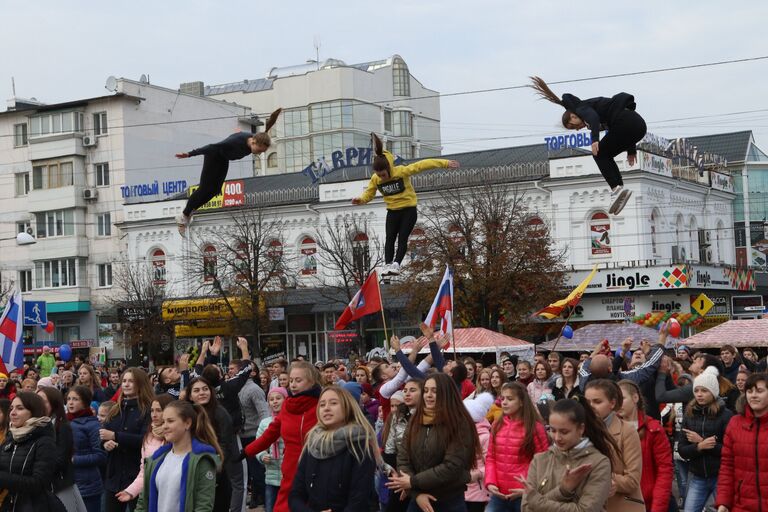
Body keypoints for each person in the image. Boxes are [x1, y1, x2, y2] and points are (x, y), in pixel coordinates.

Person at [530, 76, 647, 215]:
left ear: (574, 116)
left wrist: (595, 139)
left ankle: (617, 189)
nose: (578, 129)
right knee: (606, 154)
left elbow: (594, 118)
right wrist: (631, 150)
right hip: (639, 126)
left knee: (599, 153)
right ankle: (619, 189)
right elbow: (624, 125)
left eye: (575, 126)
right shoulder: (588, 109)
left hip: (625, 122)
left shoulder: (581, 109)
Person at [351, 133, 460, 276]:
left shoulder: (401, 171)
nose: (382, 178)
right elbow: (369, 193)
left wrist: (444, 163)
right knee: (390, 237)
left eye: (384, 174)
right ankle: (388, 264)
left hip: (408, 210)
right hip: (392, 211)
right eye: (379, 175)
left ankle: (396, 264)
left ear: (389, 168)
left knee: (402, 237)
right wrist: (361, 200)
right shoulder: (376, 179)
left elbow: (422, 165)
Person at [175, 109, 282, 233]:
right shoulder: (234, 142)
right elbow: (211, 147)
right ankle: (182, 216)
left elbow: (260, 134)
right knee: (204, 188)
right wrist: (189, 154)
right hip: (213, 156)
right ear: (253, 142)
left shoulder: (258, 138)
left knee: (215, 190)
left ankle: (190, 211)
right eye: (259, 150)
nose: (259, 153)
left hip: (223, 159)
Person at [387, 372, 480, 511]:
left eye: (434, 391)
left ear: (446, 394)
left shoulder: (459, 423)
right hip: (418, 500)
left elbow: (452, 466)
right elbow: (403, 458)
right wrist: (417, 493)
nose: (428, 395)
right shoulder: (416, 420)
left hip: (448, 501)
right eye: (425, 391)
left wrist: (413, 482)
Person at [243, 361, 322, 512]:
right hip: (291, 468)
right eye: (291, 380)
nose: (293, 384)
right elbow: (271, 433)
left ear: (311, 382)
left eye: (298, 380)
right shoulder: (287, 405)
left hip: (317, 467)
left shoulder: (321, 404)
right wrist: (247, 451)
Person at [289, 386, 380, 511]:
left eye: (333, 403)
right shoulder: (312, 444)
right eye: (322, 404)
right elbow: (295, 495)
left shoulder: (360, 446)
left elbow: (359, 499)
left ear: (347, 407)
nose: (326, 408)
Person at [521, 398, 617, 511]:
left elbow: (586, 510)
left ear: (581, 428)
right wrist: (563, 491)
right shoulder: (540, 460)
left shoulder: (599, 462)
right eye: (552, 430)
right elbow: (526, 508)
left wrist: (536, 501)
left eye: (564, 432)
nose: (557, 438)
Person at [133, 400, 223, 512]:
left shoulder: (202, 460)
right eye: (163, 422)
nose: (164, 426)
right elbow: (143, 502)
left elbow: (203, 507)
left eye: (170, 421)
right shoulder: (156, 459)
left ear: (187, 423)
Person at [485, 382, 549, 512]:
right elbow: (491, 457)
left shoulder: (535, 428)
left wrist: (529, 488)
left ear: (521, 402)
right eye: (502, 398)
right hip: (499, 495)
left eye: (510, 399)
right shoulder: (497, 425)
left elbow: (544, 463)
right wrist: (490, 482)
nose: (504, 402)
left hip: (524, 495)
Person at [678, 366, 734, 512]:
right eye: (696, 390)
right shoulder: (689, 414)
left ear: (713, 392)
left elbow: (731, 451)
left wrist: (703, 442)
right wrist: (699, 446)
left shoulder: (726, 415)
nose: (699, 394)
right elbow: (682, 450)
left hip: (720, 477)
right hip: (697, 476)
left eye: (704, 390)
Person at [584, 379, 644, 511]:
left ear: (612, 403)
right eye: (587, 402)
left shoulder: (627, 431)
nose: (591, 406)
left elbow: (632, 480)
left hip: (621, 506)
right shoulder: (579, 430)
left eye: (597, 401)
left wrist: (601, 477)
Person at [100, 367, 154, 512]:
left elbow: (146, 440)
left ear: (141, 384)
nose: (126, 384)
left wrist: (116, 436)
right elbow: (104, 436)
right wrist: (106, 444)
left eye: (131, 381)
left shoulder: (148, 410)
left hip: (137, 475)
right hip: (114, 477)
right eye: (124, 381)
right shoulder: (115, 409)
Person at [618, 380, 673, 512]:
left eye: (622, 398)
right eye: (615, 399)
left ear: (635, 398)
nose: (618, 403)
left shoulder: (653, 429)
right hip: (619, 502)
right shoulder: (609, 429)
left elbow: (664, 470)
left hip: (647, 502)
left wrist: (658, 507)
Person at [716, 372, 768, 512]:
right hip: (742, 505)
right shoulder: (735, 423)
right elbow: (727, 466)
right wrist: (723, 502)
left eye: (760, 391)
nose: (753, 395)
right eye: (749, 391)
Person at [0, 392, 59, 511]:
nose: (12, 413)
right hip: (9, 505)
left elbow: (39, 483)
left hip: (34, 507)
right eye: (11, 408)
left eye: (20, 408)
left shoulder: (44, 441)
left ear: (34, 411)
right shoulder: (12, 437)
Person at [116, 394, 174, 505]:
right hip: (152, 494)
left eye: (159, 410)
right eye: (152, 411)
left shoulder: (176, 435)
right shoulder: (148, 436)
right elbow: (145, 471)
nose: (154, 415)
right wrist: (131, 491)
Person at [38, 386, 85, 511]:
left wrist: (37, 470)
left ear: (54, 404)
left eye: (44, 401)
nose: (39, 404)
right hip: (41, 485)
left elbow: (61, 460)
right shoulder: (36, 426)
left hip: (59, 486)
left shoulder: (62, 426)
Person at [382, 382, 422, 512]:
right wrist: (397, 475)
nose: (407, 393)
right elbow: (389, 449)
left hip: (421, 477)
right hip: (399, 475)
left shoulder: (428, 416)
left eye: (412, 390)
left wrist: (411, 481)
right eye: (405, 390)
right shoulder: (397, 415)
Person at [67, 385, 108, 512]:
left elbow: (101, 455)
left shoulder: (93, 425)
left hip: (88, 486)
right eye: (68, 399)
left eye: (75, 399)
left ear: (85, 402)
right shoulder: (64, 422)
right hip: (66, 484)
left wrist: (74, 460)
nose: (70, 402)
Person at [256, 387, 287, 512]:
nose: (274, 401)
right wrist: (262, 455)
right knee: (270, 508)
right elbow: (258, 445)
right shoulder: (265, 423)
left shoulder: (290, 420)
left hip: (288, 476)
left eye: (278, 398)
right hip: (271, 476)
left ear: (286, 400)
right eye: (271, 399)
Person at [463, 392, 494, 512]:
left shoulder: (485, 437)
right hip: (461, 489)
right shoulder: (460, 434)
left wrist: (478, 474)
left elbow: (491, 464)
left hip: (478, 492)